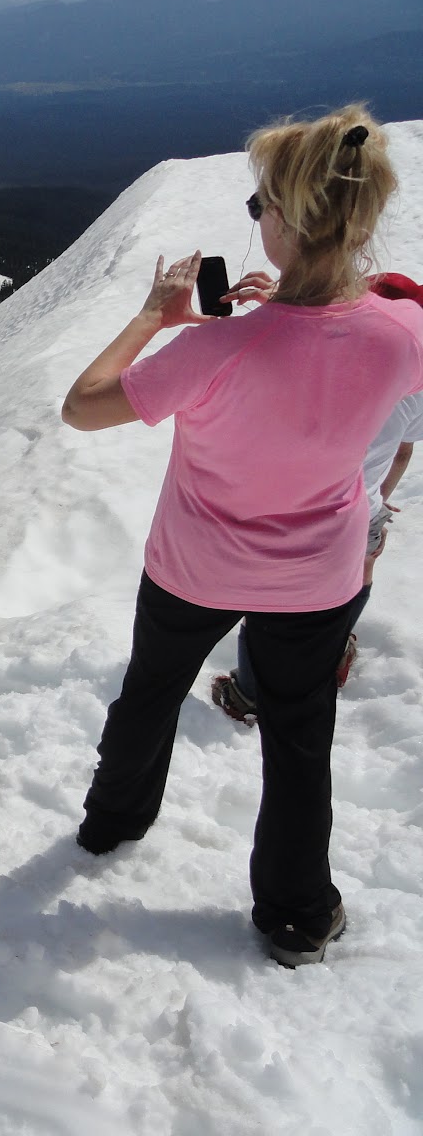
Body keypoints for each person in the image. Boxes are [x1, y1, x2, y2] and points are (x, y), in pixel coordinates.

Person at [60, 104, 423, 967]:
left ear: (289, 225)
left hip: (194, 565)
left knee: (152, 691)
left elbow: (83, 406)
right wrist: (308, 305)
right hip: (318, 578)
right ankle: (298, 915)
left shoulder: (217, 349)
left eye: (258, 207)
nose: (254, 220)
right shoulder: (402, 335)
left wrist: (156, 315)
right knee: (300, 734)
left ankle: (114, 825)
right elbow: (353, 329)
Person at [215, 385, 423, 723]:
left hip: (296, 503)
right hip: (360, 510)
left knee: (269, 593)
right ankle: (329, 656)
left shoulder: (316, 365)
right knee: (359, 575)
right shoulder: (411, 377)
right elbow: (401, 452)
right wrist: (377, 500)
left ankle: (249, 693)